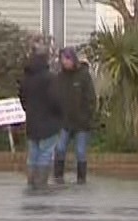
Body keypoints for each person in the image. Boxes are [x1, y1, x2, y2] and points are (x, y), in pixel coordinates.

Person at [19, 47, 65, 192]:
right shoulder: (50, 78)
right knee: (45, 153)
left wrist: (29, 110)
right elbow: (56, 100)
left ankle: (31, 180)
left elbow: (22, 99)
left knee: (33, 154)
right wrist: (60, 115)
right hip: (49, 123)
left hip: (32, 123)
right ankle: (41, 182)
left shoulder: (26, 79)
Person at [53, 47, 96, 185]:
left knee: (80, 152)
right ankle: (58, 176)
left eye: (67, 59)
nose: (65, 62)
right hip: (64, 122)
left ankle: (81, 179)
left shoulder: (83, 76)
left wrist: (86, 116)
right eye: (62, 59)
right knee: (60, 148)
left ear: (73, 59)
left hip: (81, 123)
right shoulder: (60, 77)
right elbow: (56, 97)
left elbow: (91, 99)